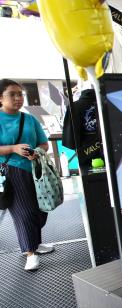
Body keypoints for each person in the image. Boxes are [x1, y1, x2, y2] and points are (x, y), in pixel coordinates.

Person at [0, 79, 53, 271]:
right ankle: (30, 252)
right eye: (12, 94)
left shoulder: (29, 119)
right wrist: (13, 148)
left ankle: (34, 244)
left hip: (36, 170)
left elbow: (44, 144)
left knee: (41, 209)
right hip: (12, 172)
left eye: (20, 94)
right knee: (25, 212)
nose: (17, 98)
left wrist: (36, 152)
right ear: (0, 98)